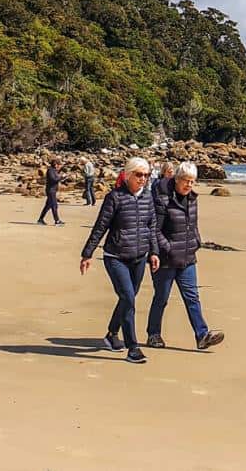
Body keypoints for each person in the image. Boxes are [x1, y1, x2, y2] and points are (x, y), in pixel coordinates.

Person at [80, 156, 159, 364]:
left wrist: (154, 252)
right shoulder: (114, 197)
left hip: (139, 257)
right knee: (128, 298)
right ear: (128, 175)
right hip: (115, 257)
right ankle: (133, 348)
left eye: (146, 175)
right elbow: (100, 226)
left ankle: (111, 334)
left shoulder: (148, 197)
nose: (143, 179)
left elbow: (151, 227)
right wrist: (87, 253)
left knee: (128, 298)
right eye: (139, 175)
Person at [146, 162, 226, 351]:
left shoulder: (192, 199)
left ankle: (202, 335)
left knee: (192, 297)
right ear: (176, 179)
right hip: (165, 259)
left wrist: (197, 241)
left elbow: (193, 225)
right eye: (186, 181)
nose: (189, 185)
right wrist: (166, 248)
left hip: (188, 257)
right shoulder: (162, 199)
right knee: (161, 298)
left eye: (192, 181)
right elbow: (154, 229)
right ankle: (153, 334)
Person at [38, 157, 64, 226]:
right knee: (54, 205)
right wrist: (61, 177)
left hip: (53, 190)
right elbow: (53, 179)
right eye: (58, 164)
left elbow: (56, 179)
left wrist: (62, 177)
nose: (59, 166)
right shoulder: (50, 170)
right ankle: (57, 221)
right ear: (55, 164)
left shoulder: (54, 170)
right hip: (50, 190)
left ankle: (40, 219)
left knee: (48, 206)